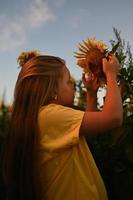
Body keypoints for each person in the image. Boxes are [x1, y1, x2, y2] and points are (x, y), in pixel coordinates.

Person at [2, 52, 123, 200]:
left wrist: (91, 94)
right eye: (69, 82)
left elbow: (89, 130)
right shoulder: (50, 115)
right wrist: (111, 74)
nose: (74, 86)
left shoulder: (41, 116)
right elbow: (114, 117)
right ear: (53, 90)